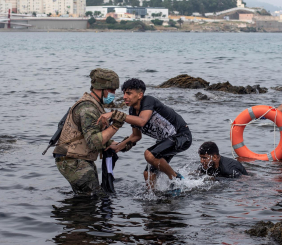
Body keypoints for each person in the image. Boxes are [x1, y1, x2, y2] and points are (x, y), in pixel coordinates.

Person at [99, 78, 192, 189]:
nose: (124, 97)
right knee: (148, 174)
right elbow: (136, 136)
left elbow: (142, 121)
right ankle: (153, 199)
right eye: (124, 93)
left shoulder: (148, 101)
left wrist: (115, 114)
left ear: (140, 95)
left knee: (149, 154)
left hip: (182, 136)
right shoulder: (132, 111)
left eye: (129, 93)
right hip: (166, 141)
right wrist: (118, 147)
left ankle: (176, 180)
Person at [52, 68, 127, 196]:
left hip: (79, 158)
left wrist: (122, 144)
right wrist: (116, 125)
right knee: (90, 198)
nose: (114, 94)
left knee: (91, 196)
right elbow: (93, 142)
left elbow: (93, 137)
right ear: (102, 88)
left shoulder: (94, 105)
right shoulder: (88, 108)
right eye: (112, 90)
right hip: (72, 160)